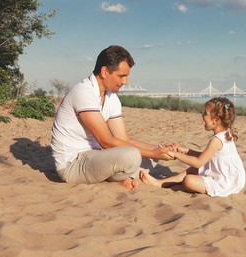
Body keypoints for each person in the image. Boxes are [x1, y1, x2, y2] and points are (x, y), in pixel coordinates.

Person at [51, 45, 174, 190]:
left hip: (97, 157)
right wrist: (153, 152)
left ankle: (119, 176)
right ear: (104, 71)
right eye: (121, 76)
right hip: (73, 165)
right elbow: (106, 142)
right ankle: (120, 177)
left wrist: (160, 151)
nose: (125, 82)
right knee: (132, 155)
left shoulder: (111, 98)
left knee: (150, 158)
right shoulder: (84, 92)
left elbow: (124, 139)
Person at [140, 97, 246, 197]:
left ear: (216, 120)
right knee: (193, 170)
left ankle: (161, 182)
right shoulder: (225, 134)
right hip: (229, 177)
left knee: (188, 180)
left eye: (205, 113)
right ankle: (160, 183)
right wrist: (185, 151)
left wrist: (176, 154)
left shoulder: (216, 140)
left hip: (224, 182)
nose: (202, 116)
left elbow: (198, 162)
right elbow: (207, 157)